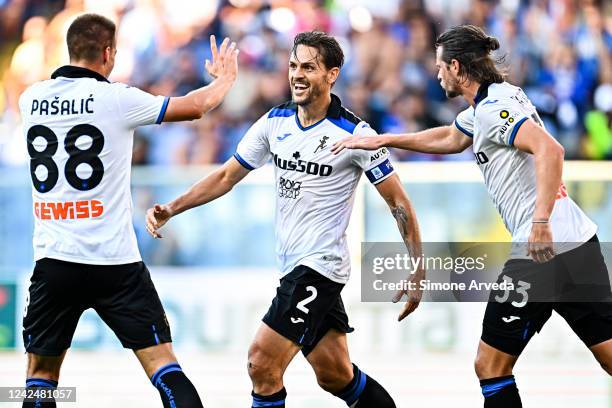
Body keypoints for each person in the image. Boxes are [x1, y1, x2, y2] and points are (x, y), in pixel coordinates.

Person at [332, 24, 612, 407]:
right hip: (578, 243)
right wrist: (384, 139)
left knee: (490, 365)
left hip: (540, 251)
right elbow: (451, 137)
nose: (437, 73)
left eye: (440, 66)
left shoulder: (494, 110)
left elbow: (552, 151)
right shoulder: (492, 103)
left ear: (457, 67)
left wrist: (541, 222)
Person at [146, 31, 424, 408]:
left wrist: (418, 269)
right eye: (293, 65)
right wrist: (172, 207)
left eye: (309, 67)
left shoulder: (355, 135)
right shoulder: (274, 123)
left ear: (332, 74)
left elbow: (398, 203)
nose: (297, 74)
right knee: (335, 375)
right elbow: (227, 176)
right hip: (293, 265)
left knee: (261, 362)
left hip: (319, 268)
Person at [18, 13, 238, 408]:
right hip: (115, 264)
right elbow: (194, 107)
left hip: (55, 261)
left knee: (40, 377)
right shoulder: (117, 99)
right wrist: (224, 80)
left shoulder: (29, 99)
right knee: (164, 368)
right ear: (108, 53)